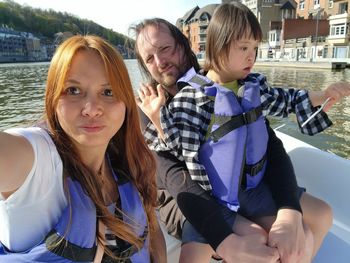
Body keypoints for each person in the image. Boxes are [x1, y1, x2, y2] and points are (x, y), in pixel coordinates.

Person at [131, 12, 349, 263]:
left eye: (165, 49)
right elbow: (176, 177)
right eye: (149, 58)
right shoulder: (149, 110)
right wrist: (225, 238)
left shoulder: (226, 82)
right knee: (263, 240)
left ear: (183, 44)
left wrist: (289, 210)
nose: (160, 61)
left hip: (241, 186)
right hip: (186, 198)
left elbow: (272, 137)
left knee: (318, 218)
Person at [0, 35, 166, 263]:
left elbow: (152, 234)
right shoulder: (38, 158)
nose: (91, 109)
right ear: (52, 97)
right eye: (73, 91)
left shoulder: (127, 161)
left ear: (126, 104)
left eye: (108, 92)